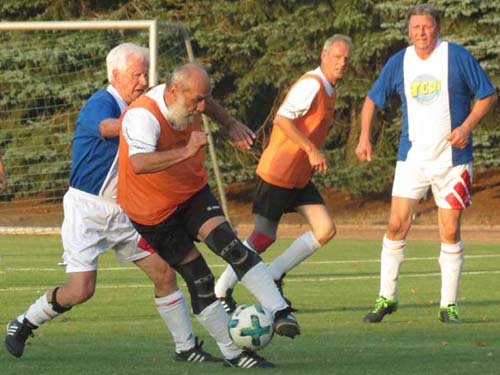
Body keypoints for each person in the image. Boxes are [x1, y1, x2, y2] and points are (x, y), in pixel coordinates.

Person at [4, 43, 238, 363]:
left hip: (127, 209)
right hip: (88, 209)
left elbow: (199, 99)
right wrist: (148, 118)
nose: (142, 81)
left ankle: (186, 348)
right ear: (115, 76)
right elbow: (107, 127)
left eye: (145, 74)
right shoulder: (102, 102)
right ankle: (24, 321)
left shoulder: (149, 102)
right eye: (135, 75)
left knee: (165, 274)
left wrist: (229, 123)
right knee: (81, 290)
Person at [117, 62, 300, 369]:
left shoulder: (191, 98)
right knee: (200, 279)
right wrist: (187, 151)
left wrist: (230, 124)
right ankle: (234, 354)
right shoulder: (142, 116)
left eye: (205, 98)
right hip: (152, 212)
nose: (201, 107)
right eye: (196, 101)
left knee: (231, 247)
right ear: (175, 91)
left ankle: (280, 312)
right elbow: (140, 163)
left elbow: (209, 104)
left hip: (191, 193)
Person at [355, 4, 497, 324]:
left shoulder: (456, 56)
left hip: (453, 161)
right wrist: (364, 138)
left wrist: (466, 127)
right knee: (396, 225)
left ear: (437, 28)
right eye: (416, 26)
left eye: (427, 26)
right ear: (409, 30)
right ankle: (386, 298)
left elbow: (487, 95)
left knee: (449, 230)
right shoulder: (399, 62)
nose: (421, 32)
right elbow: (372, 99)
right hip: (413, 158)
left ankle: (448, 305)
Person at [214, 34, 352, 312]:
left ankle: (274, 274)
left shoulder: (329, 88)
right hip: (279, 170)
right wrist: (311, 150)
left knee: (325, 230)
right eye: (337, 57)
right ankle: (221, 291)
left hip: (298, 177)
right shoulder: (311, 85)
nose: (342, 63)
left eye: (346, 58)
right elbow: (282, 120)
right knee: (262, 238)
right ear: (324, 56)